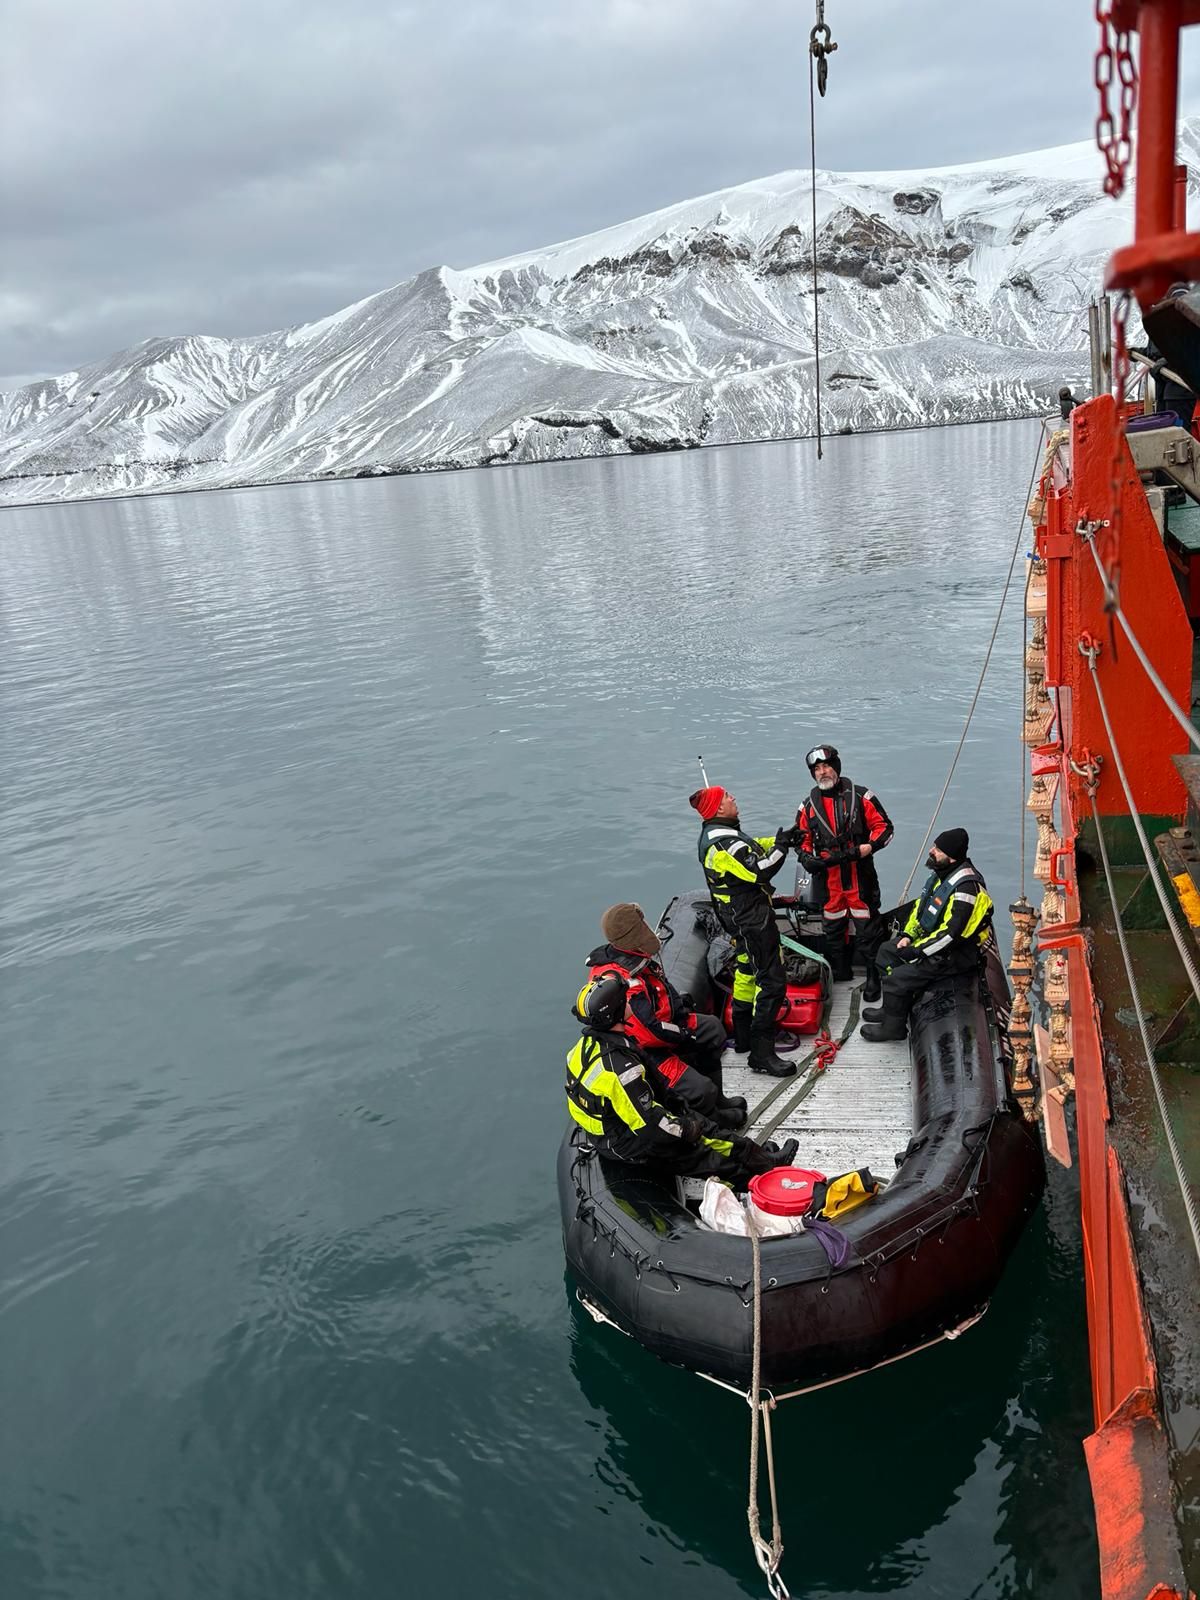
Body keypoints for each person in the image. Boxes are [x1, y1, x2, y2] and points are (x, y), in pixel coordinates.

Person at [566, 973, 798, 1180]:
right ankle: (763, 1174)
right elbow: (649, 1125)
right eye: (625, 1000)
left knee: (709, 1129)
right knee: (703, 1154)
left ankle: (762, 1159)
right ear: (617, 1011)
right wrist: (686, 1129)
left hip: (619, 1129)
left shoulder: (583, 1049)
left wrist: (680, 1110)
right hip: (630, 1141)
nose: (630, 1001)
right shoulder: (621, 1071)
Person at [587, 902, 747, 1128]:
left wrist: (681, 1013)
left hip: (668, 1024)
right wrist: (684, 1034)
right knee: (700, 1089)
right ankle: (714, 1118)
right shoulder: (622, 981)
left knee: (712, 1029)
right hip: (646, 1051)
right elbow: (650, 1032)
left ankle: (718, 1100)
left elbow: (662, 994)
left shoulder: (635, 958)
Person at [690, 784, 796, 1078]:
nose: (733, 798)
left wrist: (779, 839)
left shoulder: (720, 833)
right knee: (772, 982)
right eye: (727, 797)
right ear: (718, 809)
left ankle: (743, 1037)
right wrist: (783, 848)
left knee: (747, 970)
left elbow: (750, 845)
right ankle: (762, 1053)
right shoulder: (722, 844)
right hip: (750, 920)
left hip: (736, 918)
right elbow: (760, 869)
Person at [860, 828, 994, 1042]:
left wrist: (917, 951)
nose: (931, 851)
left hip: (955, 955)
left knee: (897, 978)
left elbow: (950, 936)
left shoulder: (966, 891)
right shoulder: (941, 876)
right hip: (931, 942)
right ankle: (891, 1009)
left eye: (937, 849)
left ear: (951, 856)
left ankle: (893, 1029)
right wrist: (907, 935)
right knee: (886, 952)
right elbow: (920, 912)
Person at [787, 744, 894, 993]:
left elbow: (885, 828)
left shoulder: (861, 797)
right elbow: (801, 838)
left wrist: (870, 847)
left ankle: (872, 976)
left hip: (859, 874)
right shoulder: (807, 807)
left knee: (867, 928)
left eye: (826, 766)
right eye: (817, 769)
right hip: (828, 878)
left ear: (835, 767)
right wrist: (804, 857)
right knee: (832, 927)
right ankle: (840, 968)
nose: (822, 772)